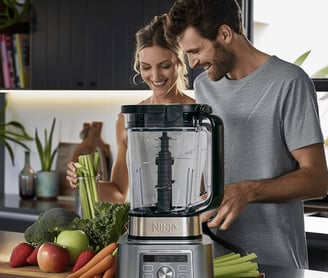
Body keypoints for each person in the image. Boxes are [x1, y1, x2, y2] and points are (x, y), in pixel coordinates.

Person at [164, 0, 328, 269]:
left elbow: (317, 180)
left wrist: (247, 191)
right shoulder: (204, 85)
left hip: (276, 259)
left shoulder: (289, 81)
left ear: (225, 34)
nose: (192, 63)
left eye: (195, 51)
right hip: (215, 259)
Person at [66, 15, 194, 203]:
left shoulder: (198, 115)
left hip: (192, 224)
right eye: (146, 67)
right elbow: (118, 193)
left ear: (179, 62)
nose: (155, 75)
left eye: (164, 66)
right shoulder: (128, 119)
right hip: (144, 226)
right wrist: (87, 182)